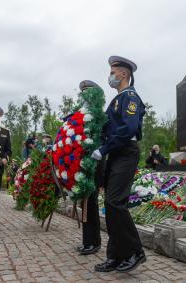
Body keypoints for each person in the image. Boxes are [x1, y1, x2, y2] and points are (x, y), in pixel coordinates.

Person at [91, 56, 146, 272]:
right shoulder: (116, 100)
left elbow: (128, 129)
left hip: (125, 153)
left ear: (124, 74)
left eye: (113, 72)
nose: (110, 76)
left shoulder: (129, 97)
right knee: (111, 206)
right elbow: (107, 128)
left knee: (115, 203)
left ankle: (135, 251)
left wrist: (103, 149)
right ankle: (115, 256)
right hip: (115, 153)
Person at [75, 80, 105, 256]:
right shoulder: (80, 116)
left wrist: (100, 177)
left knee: (91, 205)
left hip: (94, 167)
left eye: (88, 92)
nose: (85, 96)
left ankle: (94, 242)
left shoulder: (99, 117)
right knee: (85, 204)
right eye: (83, 92)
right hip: (82, 166)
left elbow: (102, 146)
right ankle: (88, 241)